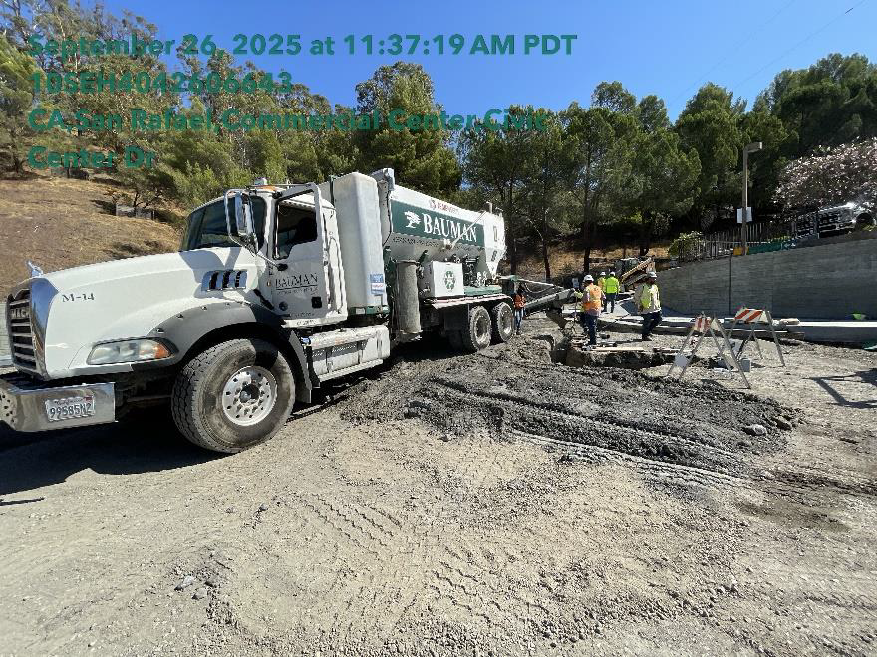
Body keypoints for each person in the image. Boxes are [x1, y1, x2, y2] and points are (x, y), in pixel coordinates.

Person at [573, 274, 604, 346]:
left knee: (591, 325)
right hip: (597, 309)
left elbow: (586, 300)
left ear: (586, 282)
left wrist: (583, 303)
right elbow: (603, 297)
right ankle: (593, 338)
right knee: (594, 325)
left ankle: (593, 341)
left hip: (589, 309)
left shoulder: (587, 289)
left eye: (584, 283)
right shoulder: (598, 288)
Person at [636, 271, 662, 341]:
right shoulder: (642, 287)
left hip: (656, 308)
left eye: (655, 278)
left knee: (659, 319)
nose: (654, 280)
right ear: (648, 278)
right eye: (653, 278)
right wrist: (640, 305)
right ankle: (645, 336)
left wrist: (659, 305)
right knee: (647, 322)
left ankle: (648, 331)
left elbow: (657, 296)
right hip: (646, 308)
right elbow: (636, 297)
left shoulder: (655, 286)